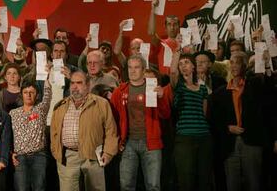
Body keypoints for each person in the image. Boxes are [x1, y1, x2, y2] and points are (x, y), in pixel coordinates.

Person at [209, 50, 273, 191]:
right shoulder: (220, 93)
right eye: (232, 62)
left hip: (252, 142)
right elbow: (213, 119)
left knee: (254, 183)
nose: (234, 66)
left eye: (238, 62)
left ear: (244, 66)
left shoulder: (254, 86)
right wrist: (227, 128)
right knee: (232, 184)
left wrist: (267, 65)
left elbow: (270, 92)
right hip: (230, 144)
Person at [50, 70, 118, 191]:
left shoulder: (101, 104)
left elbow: (111, 130)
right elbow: (54, 131)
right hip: (68, 156)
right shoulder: (60, 105)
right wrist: (56, 151)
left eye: (79, 83)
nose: (75, 87)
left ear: (88, 85)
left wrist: (108, 153)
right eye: (72, 83)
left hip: (93, 155)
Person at [111, 55, 170, 191]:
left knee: (153, 186)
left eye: (136, 67)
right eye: (130, 67)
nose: (132, 71)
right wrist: (118, 140)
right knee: (126, 185)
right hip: (128, 143)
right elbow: (113, 118)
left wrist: (161, 97)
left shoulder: (153, 88)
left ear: (144, 70)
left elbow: (165, 114)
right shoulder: (120, 91)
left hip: (151, 143)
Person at [170, 47, 212, 191]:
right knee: (186, 180)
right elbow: (173, 72)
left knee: (204, 180)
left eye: (186, 62)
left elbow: (205, 114)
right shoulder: (179, 86)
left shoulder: (202, 89)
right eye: (181, 63)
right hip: (185, 138)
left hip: (204, 137)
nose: (183, 66)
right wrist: (177, 52)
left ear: (193, 65)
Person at [10, 78, 52, 191]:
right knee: (21, 188)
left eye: (32, 92)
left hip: (39, 156)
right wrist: (11, 153)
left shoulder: (41, 109)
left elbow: (48, 95)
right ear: (21, 94)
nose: (28, 95)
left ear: (36, 95)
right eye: (25, 92)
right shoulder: (13, 113)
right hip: (20, 157)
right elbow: (7, 135)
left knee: (39, 188)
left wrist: (47, 77)